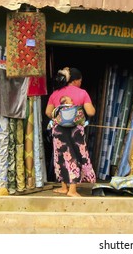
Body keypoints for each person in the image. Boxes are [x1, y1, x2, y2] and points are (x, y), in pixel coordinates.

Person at [45, 67, 96, 197]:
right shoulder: (82, 93)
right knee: (75, 155)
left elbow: (48, 112)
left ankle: (64, 188)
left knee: (61, 156)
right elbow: (90, 112)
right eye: (80, 80)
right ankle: (72, 190)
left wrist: (60, 117)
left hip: (59, 130)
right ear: (75, 80)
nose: (80, 83)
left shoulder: (55, 93)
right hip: (75, 131)